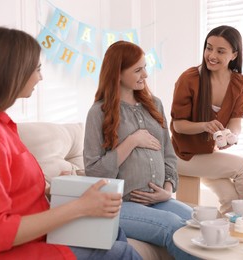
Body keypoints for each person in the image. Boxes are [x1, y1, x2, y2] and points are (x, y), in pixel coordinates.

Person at [0, 27, 141, 260]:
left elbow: (10, 190)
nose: (41, 77)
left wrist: (56, 189)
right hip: (9, 252)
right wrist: (80, 207)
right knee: (123, 253)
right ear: (14, 72)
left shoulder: (2, 125)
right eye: (37, 69)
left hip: (34, 236)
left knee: (112, 229)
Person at [83, 40, 197, 260]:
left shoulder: (154, 104)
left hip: (160, 199)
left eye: (145, 67)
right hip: (120, 205)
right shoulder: (99, 112)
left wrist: (168, 188)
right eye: (137, 70)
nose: (145, 74)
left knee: (197, 221)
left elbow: (169, 155)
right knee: (173, 227)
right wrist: (132, 141)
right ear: (117, 74)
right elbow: (94, 172)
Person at [170, 25, 243, 215]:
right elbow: (179, 125)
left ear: (234, 54)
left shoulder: (240, 83)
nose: (212, 55)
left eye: (220, 51)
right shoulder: (189, 78)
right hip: (182, 154)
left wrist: (232, 135)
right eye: (209, 48)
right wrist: (204, 126)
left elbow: (236, 120)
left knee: (231, 200)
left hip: (208, 154)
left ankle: (230, 234)